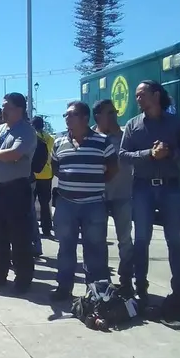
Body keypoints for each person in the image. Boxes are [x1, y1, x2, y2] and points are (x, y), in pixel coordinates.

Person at [119, 80, 180, 306]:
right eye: (137, 95)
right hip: (142, 186)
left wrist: (169, 154)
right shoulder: (133, 125)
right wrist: (149, 154)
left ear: (156, 95)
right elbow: (122, 156)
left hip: (170, 186)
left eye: (142, 94)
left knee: (174, 239)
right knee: (141, 239)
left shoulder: (176, 123)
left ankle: (179, 287)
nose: (138, 99)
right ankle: (140, 285)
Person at [50, 101, 117, 301]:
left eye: (71, 115)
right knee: (65, 247)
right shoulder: (59, 142)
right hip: (66, 203)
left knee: (95, 248)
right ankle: (64, 287)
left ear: (85, 118)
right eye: (66, 115)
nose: (67, 118)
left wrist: (92, 184)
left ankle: (97, 291)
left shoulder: (103, 141)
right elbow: (56, 168)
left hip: (94, 204)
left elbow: (113, 169)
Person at [0, 93, 37, 293]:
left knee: (20, 236)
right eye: (3, 106)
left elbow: (15, 154)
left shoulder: (27, 131)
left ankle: (23, 279)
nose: (3, 110)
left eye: (8, 107)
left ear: (19, 109)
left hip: (16, 190)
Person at [93, 99, 134, 296]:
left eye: (114, 112)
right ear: (97, 116)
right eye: (107, 113)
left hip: (123, 195)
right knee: (98, 240)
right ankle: (103, 282)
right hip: (98, 196)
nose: (112, 117)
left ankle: (126, 279)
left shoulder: (127, 134)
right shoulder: (91, 137)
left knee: (125, 239)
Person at [31, 116, 55, 238]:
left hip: (34, 174)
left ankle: (32, 228)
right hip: (47, 173)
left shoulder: (32, 137)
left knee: (30, 204)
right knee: (45, 203)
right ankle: (47, 228)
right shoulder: (50, 137)